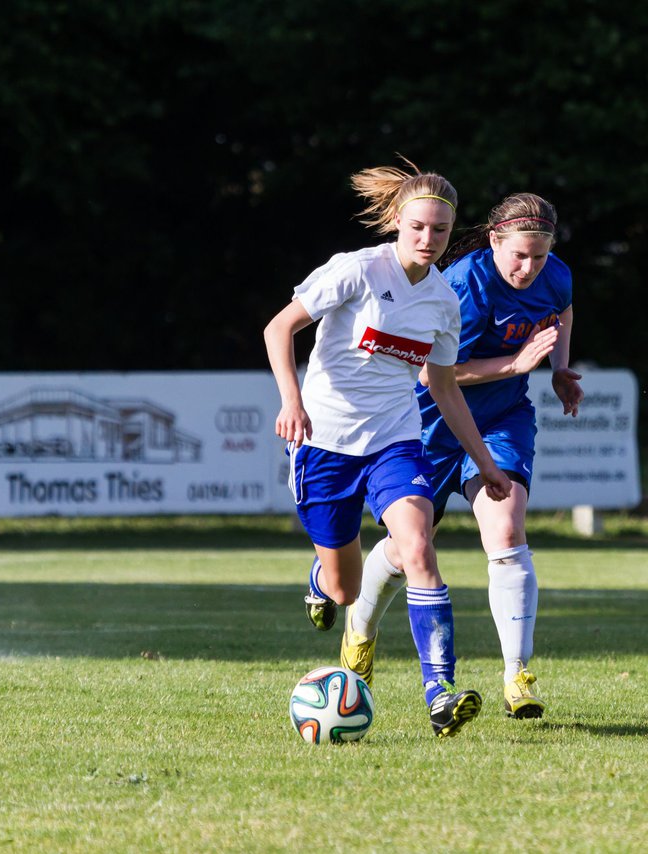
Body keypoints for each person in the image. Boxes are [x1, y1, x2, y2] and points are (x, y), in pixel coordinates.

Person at [263, 159, 512, 738]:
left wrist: (486, 464)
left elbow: (443, 387)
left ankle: (440, 692)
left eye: (441, 231)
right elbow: (280, 329)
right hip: (323, 443)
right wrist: (290, 401)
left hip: (394, 441)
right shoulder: (356, 270)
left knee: (418, 546)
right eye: (418, 227)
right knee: (347, 587)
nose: (428, 239)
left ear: (452, 234)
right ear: (397, 221)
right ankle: (323, 582)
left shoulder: (444, 302)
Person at [339, 193, 582, 720]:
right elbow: (434, 376)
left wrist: (559, 368)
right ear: (494, 240)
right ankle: (359, 629)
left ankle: (516, 673)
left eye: (539, 257)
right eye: (519, 255)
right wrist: (516, 364)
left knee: (507, 528)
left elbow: (562, 310)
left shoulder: (555, 274)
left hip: (500, 421)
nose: (529, 267)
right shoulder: (463, 285)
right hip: (430, 424)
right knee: (409, 550)